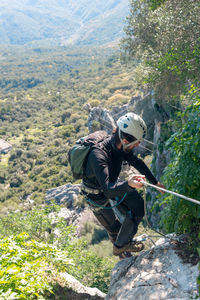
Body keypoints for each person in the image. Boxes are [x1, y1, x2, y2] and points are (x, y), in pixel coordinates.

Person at [81, 112, 165, 259]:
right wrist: (129, 184)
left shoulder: (120, 147)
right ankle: (121, 251)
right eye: (136, 142)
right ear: (125, 140)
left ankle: (123, 244)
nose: (138, 145)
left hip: (112, 185)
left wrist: (155, 182)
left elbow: (136, 162)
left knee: (138, 206)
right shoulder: (98, 155)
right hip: (96, 195)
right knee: (115, 230)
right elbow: (108, 192)